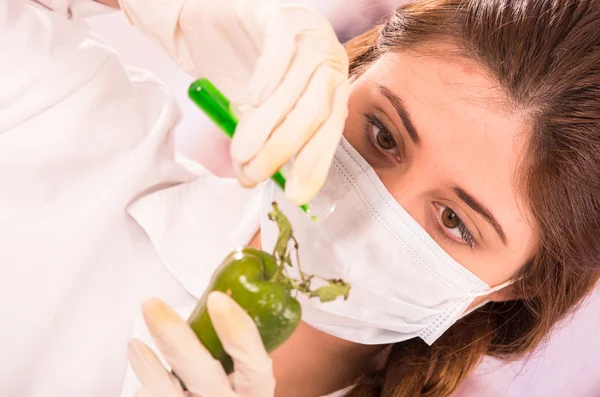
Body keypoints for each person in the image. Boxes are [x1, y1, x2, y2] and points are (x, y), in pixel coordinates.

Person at [1, 3, 599, 397]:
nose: (371, 208)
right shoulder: (62, 124)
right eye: (383, 135)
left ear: (515, 287)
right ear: (346, 76)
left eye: (453, 221)